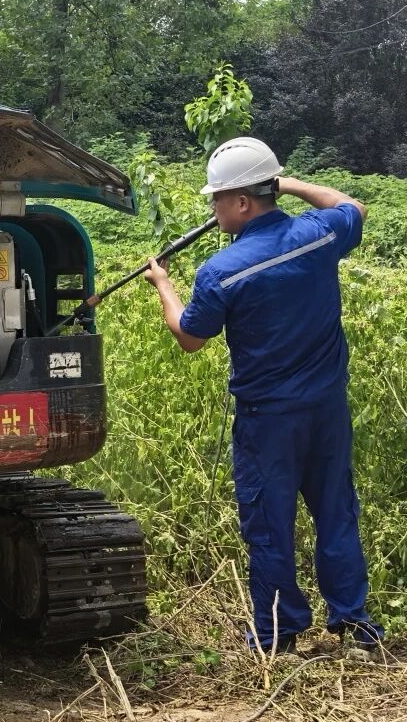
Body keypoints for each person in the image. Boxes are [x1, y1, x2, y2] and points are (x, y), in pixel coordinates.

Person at [143, 137, 383, 655]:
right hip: (326, 410)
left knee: (270, 525)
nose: (214, 208)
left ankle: (278, 634)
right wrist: (289, 183)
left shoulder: (222, 272)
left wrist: (163, 284)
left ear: (244, 203)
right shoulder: (318, 236)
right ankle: (355, 624)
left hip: (268, 421)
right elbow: (352, 207)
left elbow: (188, 336)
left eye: (218, 198)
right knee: (336, 512)